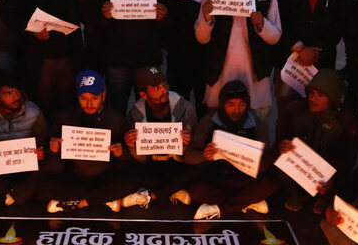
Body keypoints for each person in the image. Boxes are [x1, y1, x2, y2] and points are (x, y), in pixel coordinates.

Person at [196, 0, 282, 121]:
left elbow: (275, 37)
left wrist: (262, 24)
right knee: (218, 125)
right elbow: (201, 38)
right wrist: (207, 18)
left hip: (255, 75)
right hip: (220, 72)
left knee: (256, 126)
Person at [92, 0, 169, 113]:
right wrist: (103, 15)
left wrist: (164, 16)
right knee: (116, 110)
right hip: (117, 61)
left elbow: (171, 25)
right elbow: (93, 21)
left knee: (152, 110)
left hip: (149, 60)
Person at [181, 80, 277, 219]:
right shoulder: (208, 122)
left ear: (247, 104)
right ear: (222, 104)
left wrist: (254, 161)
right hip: (217, 176)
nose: (236, 110)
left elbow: (267, 158)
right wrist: (204, 155)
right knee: (195, 191)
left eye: (241, 105)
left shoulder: (256, 123)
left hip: (245, 177)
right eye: (230, 104)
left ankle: (220, 208)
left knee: (271, 184)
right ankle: (246, 201)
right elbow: (189, 156)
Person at [43, 70, 135, 213]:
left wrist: (121, 152)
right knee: (44, 186)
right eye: (83, 98)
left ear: (103, 96)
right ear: (77, 97)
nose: (89, 103)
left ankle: (80, 202)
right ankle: (103, 199)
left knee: (130, 182)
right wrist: (53, 149)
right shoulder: (64, 118)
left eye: (94, 98)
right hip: (74, 177)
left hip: (104, 177)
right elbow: (48, 155)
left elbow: (129, 158)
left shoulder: (116, 120)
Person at [275, 69, 358, 212]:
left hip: (328, 174)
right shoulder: (295, 109)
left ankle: (324, 199)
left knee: (348, 183)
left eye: (320, 95)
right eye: (312, 94)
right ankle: (298, 196)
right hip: (299, 169)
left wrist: (334, 182)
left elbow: (349, 158)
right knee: (279, 171)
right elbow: (281, 136)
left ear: (332, 98)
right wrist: (282, 145)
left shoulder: (345, 120)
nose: (313, 99)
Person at [0, 70, 47, 213]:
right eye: (9, 93)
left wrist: (41, 152)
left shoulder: (34, 111)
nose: (16, 96)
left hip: (28, 169)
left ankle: (7, 198)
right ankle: (17, 193)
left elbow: (43, 139)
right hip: (1, 172)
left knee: (51, 166)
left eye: (17, 91)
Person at [123, 66, 196, 207]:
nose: (163, 90)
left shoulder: (187, 108)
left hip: (176, 163)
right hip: (151, 164)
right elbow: (141, 159)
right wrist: (132, 146)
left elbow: (190, 154)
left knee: (198, 168)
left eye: (164, 84)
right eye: (156, 87)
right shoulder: (135, 113)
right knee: (125, 170)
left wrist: (186, 144)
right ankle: (170, 190)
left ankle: (151, 194)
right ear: (144, 95)